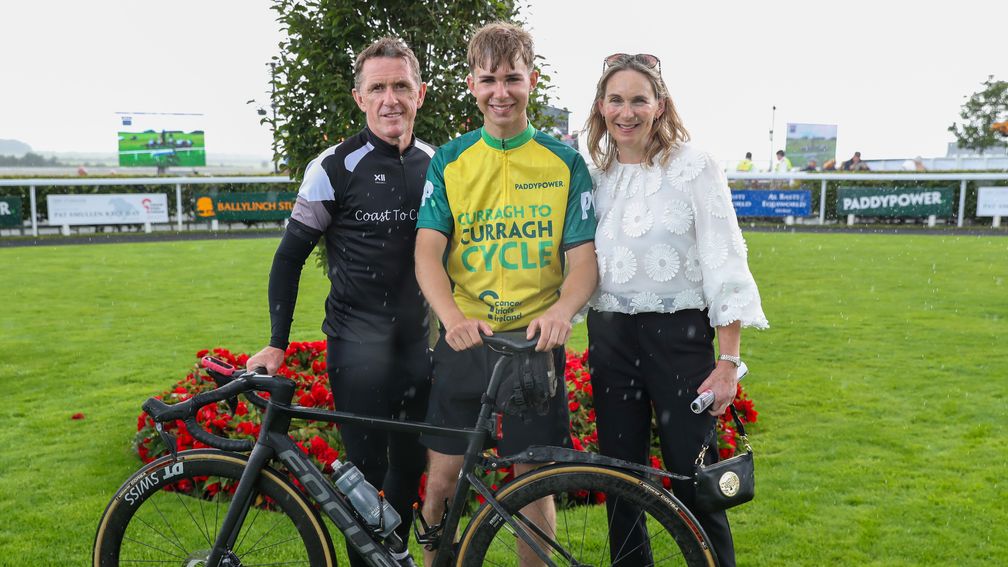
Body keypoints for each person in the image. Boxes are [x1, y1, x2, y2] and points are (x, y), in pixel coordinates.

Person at [414, 21, 598, 567]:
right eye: (489, 79)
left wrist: (565, 310)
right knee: (443, 478)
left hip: (534, 347)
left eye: (512, 79)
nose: (501, 92)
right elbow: (427, 253)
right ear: (472, 84)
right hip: (467, 339)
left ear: (532, 81)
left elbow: (584, 261)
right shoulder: (448, 161)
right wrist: (450, 318)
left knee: (532, 485)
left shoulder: (565, 162)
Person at [245, 37, 434, 567]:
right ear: (359, 97)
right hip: (357, 349)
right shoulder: (334, 166)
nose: (390, 99)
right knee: (364, 480)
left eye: (401, 86)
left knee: (410, 469)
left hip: (419, 345)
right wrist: (277, 343)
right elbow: (288, 258)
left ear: (420, 94)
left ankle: (394, 560)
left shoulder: (439, 165)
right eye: (378, 88)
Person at [583, 52, 768, 567]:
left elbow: (724, 261)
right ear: (601, 107)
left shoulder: (693, 166)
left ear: (659, 105)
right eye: (615, 100)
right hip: (611, 337)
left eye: (638, 99)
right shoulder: (592, 173)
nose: (627, 111)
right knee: (621, 481)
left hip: (680, 341)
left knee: (694, 481)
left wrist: (728, 361)